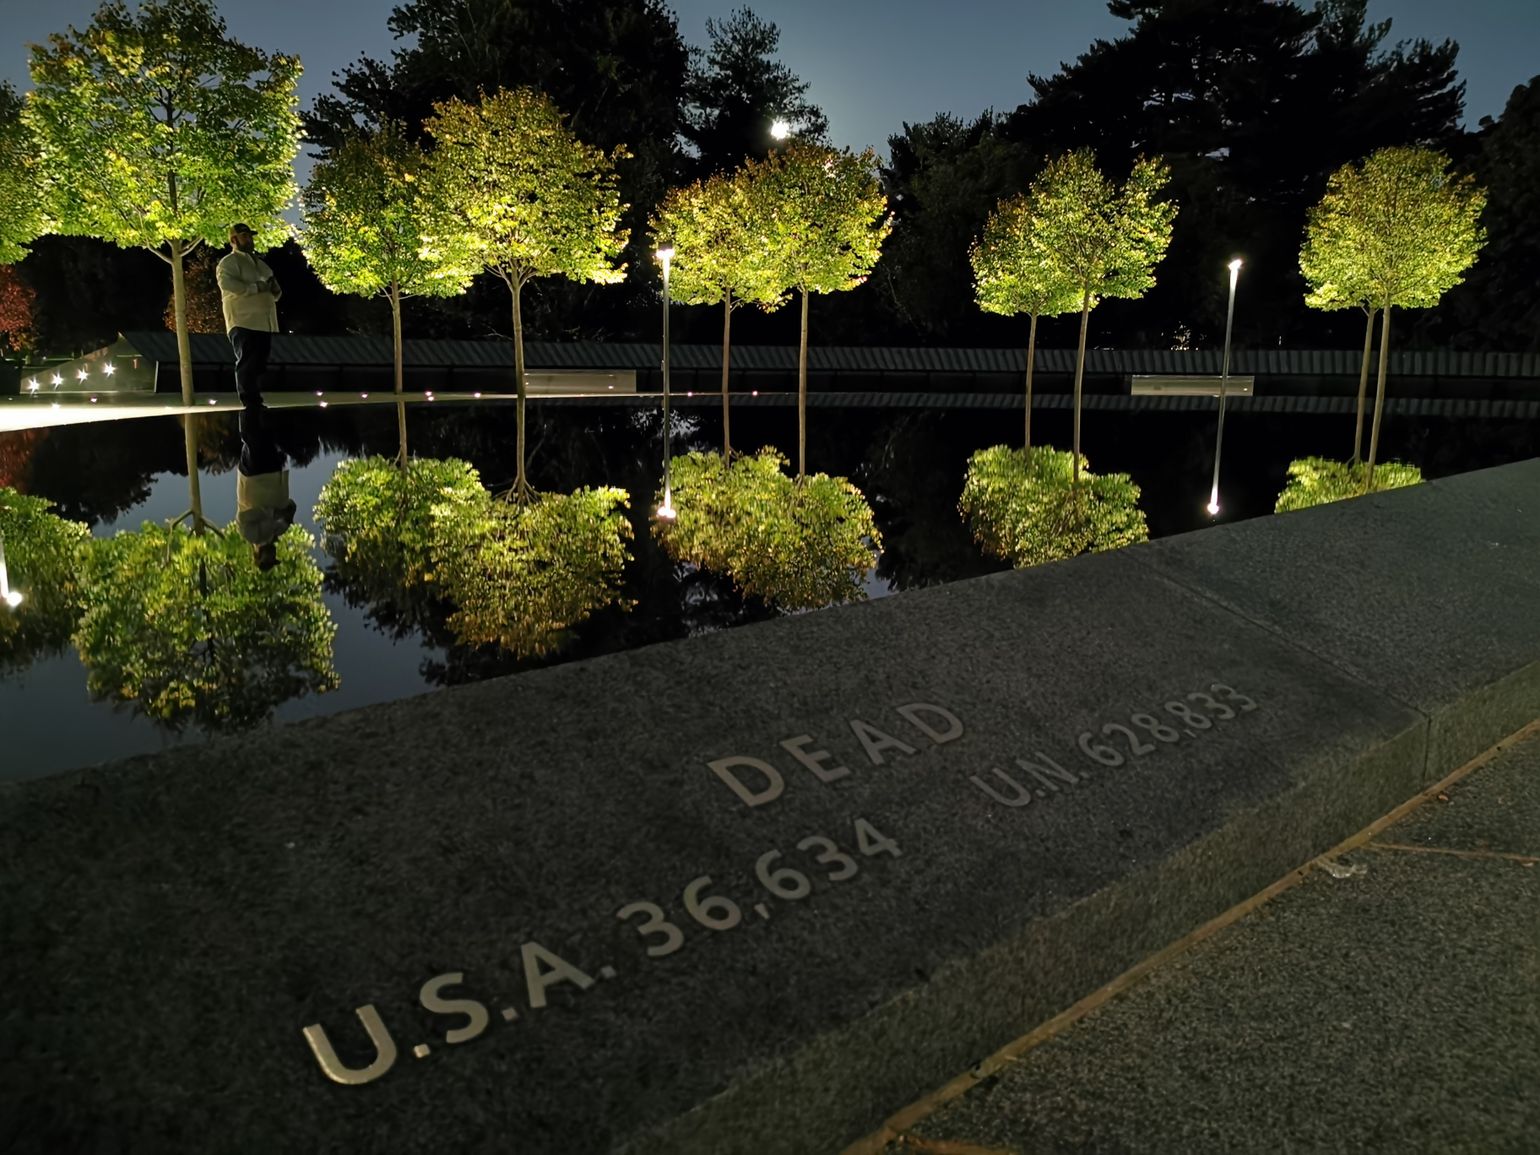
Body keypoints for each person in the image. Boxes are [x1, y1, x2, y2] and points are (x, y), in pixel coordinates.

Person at [217, 223, 282, 407]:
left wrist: (275, 290)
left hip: (264, 322)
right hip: (243, 320)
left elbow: (274, 290)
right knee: (247, 362)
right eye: (244, 236)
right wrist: (255, 288)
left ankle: (255, 401)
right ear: (233, 240)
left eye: (250, 236)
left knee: (259, 363)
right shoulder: (229, 262)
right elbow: (227, 285)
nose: (249, 239)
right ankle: (250, 403)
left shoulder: (261, 264)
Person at [236, 405, 295, 571]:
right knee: (270, 437)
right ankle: (263, 407)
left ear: (258, 556)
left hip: (254, 479)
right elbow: (291, 507)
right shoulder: (279, 530)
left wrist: (274, 514)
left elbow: (245, 516)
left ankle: (248, 404)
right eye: (274, 558)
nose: (273, 555)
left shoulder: (249, 534)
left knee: (253, 440)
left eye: (268, 559)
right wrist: (286, 513)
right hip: (274, 476)